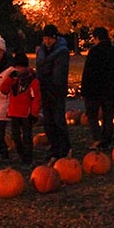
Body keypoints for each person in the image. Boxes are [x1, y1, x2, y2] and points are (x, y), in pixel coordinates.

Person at [36, 24, 72, 159]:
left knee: (58, 120)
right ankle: (54, 146)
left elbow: (59, 74)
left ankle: (64, 147)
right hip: (44, 90)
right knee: (48, 121)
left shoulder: (61, 52)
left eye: (49, 38)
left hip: (56, 90)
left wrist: (49, 82)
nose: (47, 41)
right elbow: (39, 69)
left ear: (55, 38)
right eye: (45, 38)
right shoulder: (42, 51)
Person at [81, 27, 114, 148]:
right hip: (109, 88)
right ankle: (107, 138)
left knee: (92, 115)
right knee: (108, 115)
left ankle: (98, 138)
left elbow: (88, 72)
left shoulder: (94, 51)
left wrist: (84, 89)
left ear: (97, 38)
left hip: (94, 88)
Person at [0, 51, 41, 166]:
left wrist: (34, 113)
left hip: (26, 114)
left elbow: (36, 99)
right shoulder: (14, 79)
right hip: (14, 112)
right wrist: (10, 79)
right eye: (17, 67)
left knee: (27, 137)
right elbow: (4, 90)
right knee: (15, 137)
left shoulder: (33, 81)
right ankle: (22, 155)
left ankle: (28, 159)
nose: (19, 70)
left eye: (21, 67)